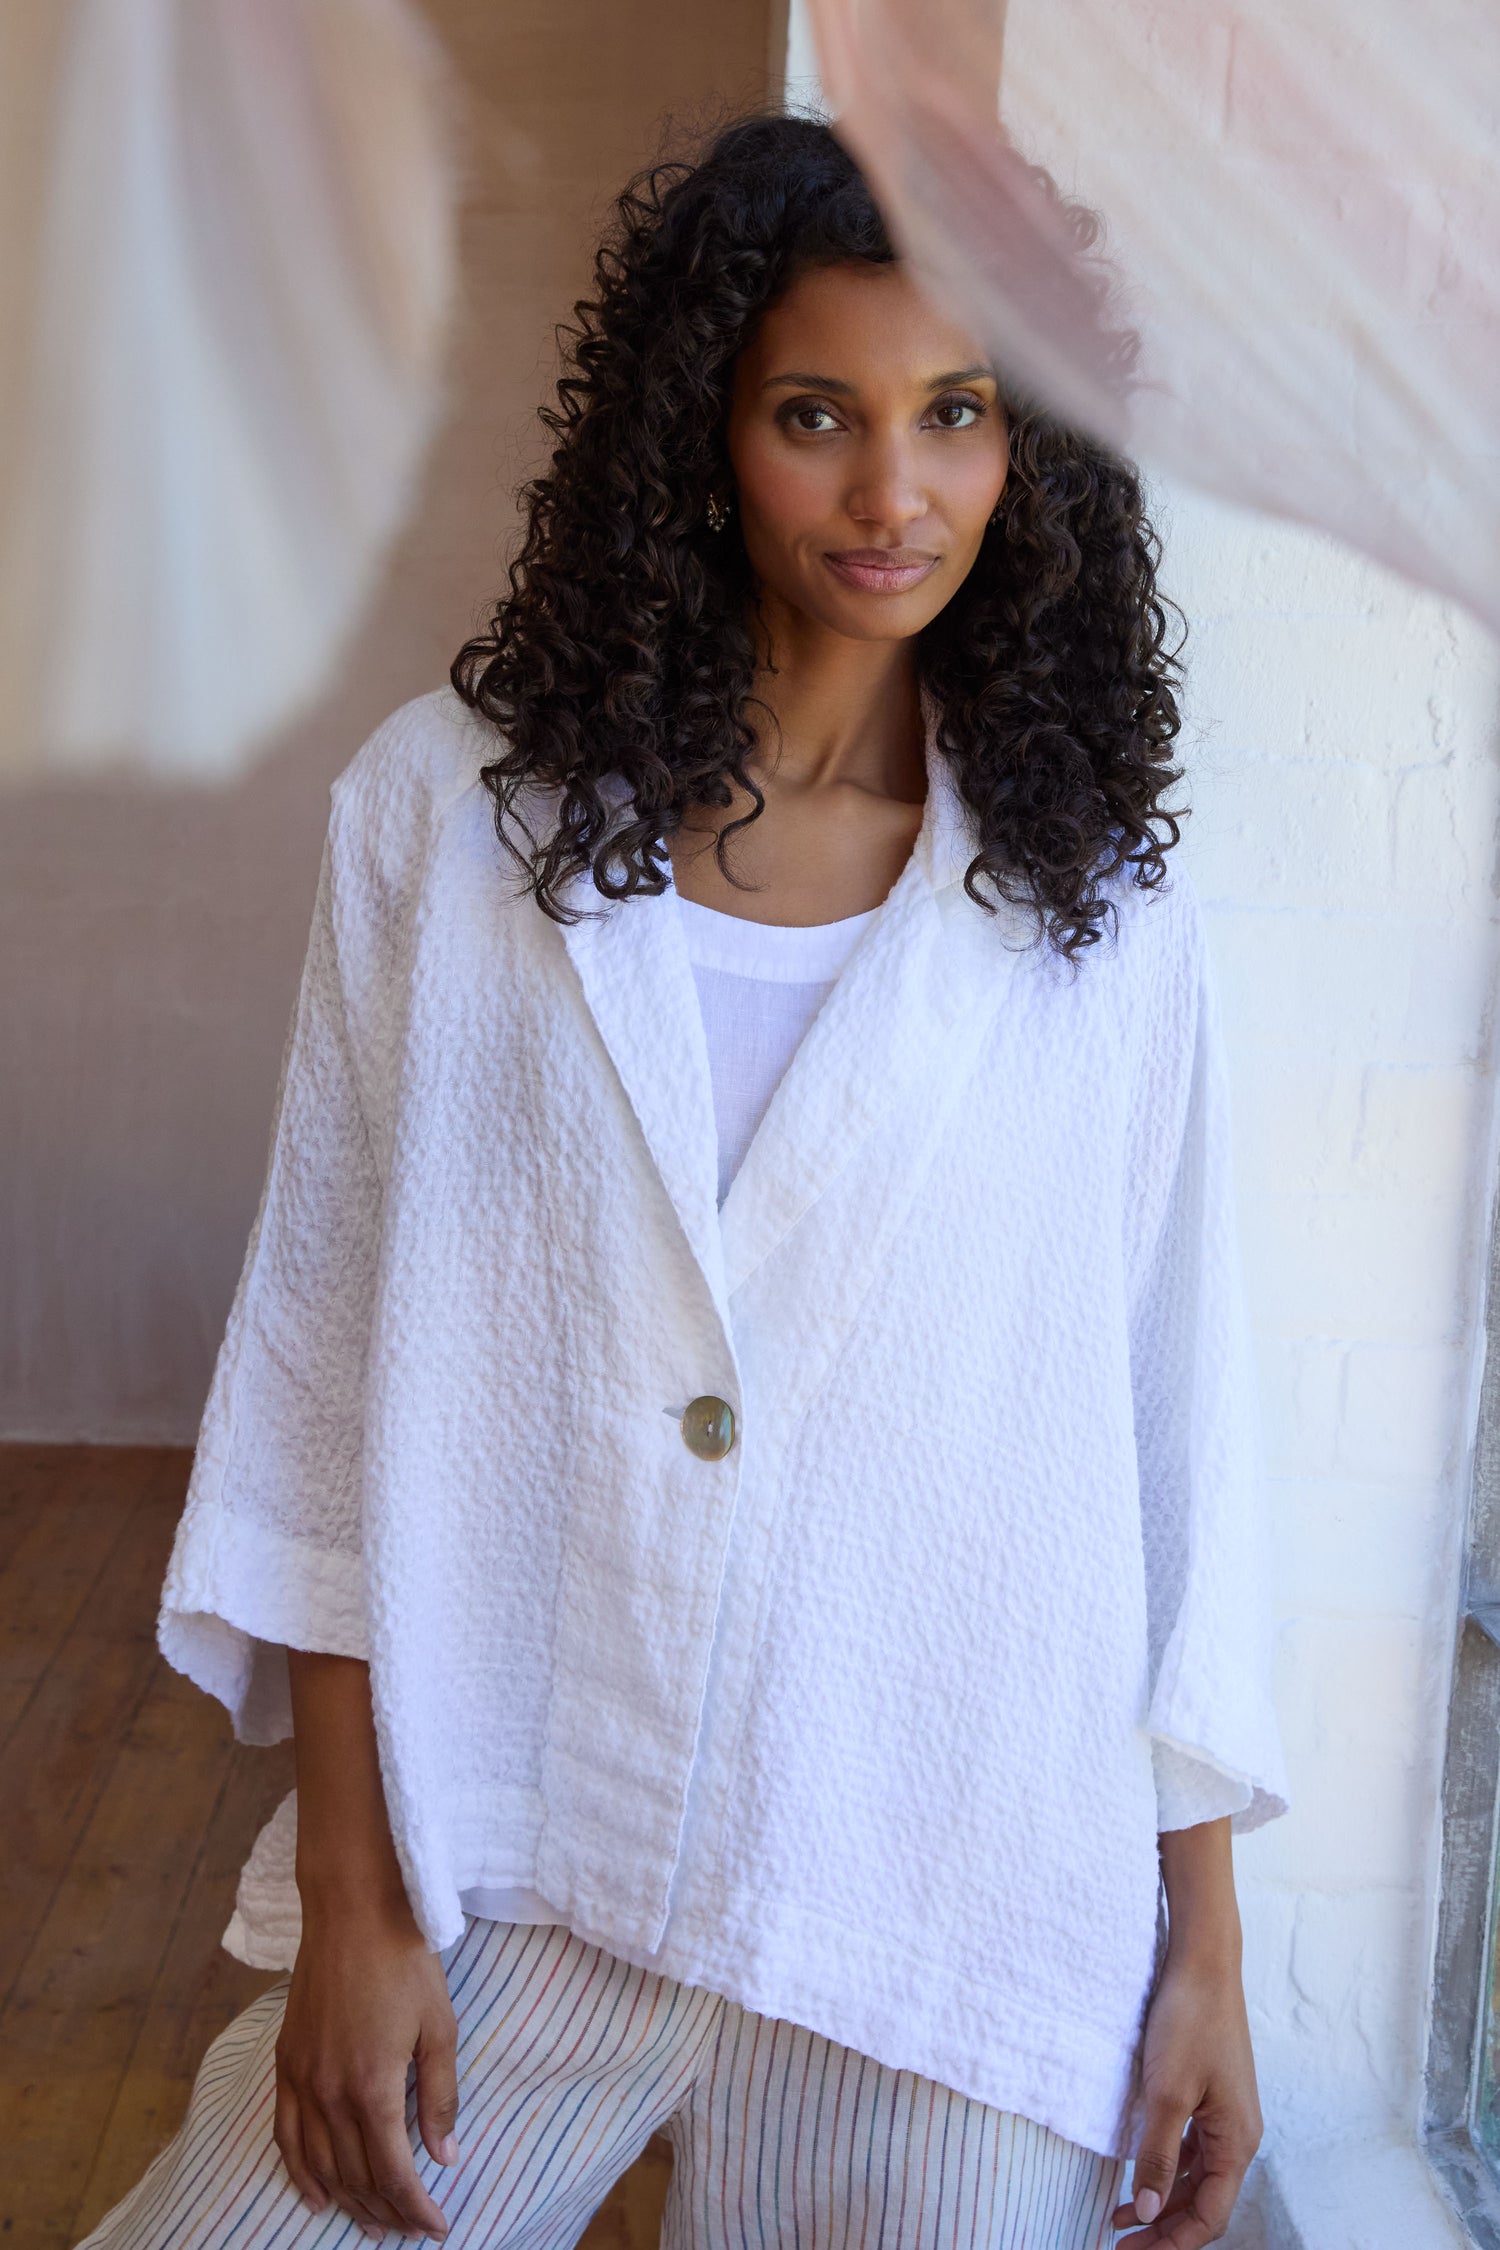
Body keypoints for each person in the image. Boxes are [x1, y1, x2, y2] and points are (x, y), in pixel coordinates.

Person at [78, 110, 1288, 2250]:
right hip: (522, 1854)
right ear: (705, 428)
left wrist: (1203, 1949)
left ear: (1041, 453)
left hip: (930, 1895)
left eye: (960, 418)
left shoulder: (1102, 916)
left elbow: (1168, 1446)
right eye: (816, 414)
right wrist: (352, 1906)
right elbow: (336, 1372)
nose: (892, 493)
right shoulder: (448, 829)